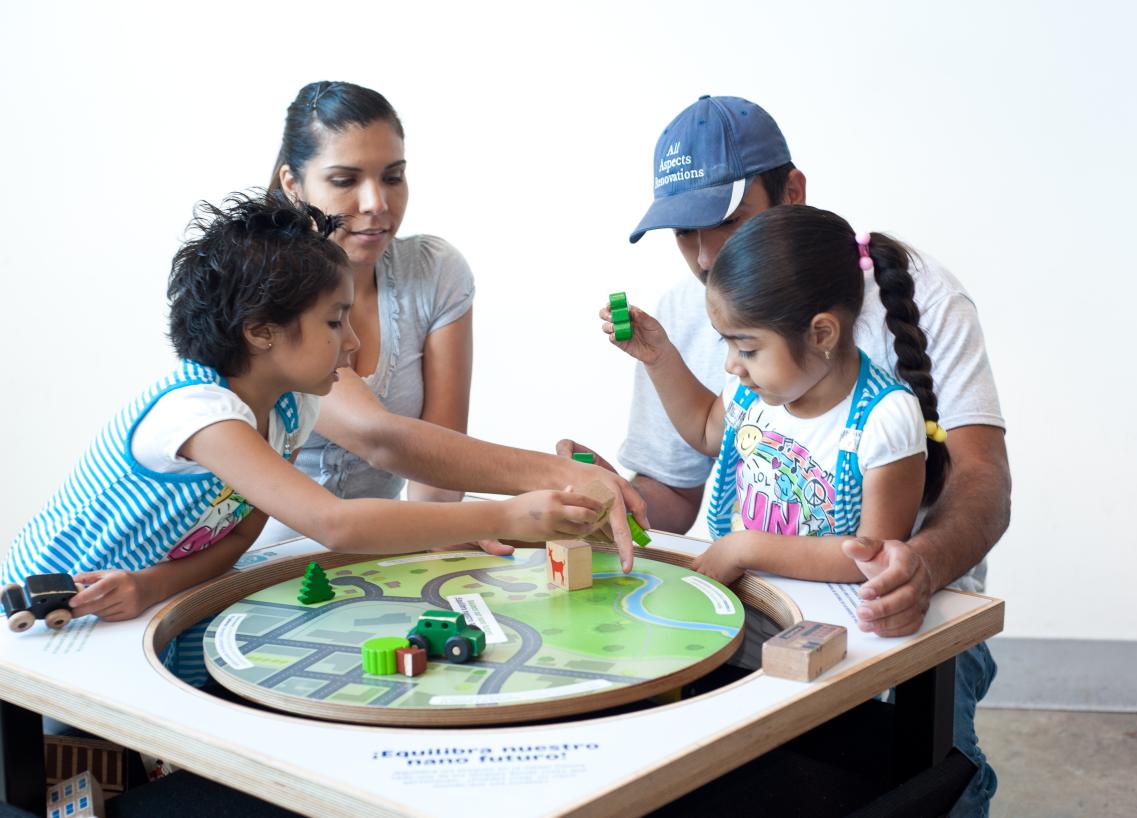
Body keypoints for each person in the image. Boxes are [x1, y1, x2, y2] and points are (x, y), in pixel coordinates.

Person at [561, 95, 1009, 816]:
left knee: (925, 777)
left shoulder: (911, 329)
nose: (706, 258)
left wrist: (918, 567)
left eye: (728, 225)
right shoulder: (722, 334)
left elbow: (976, 485)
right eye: (685, 234)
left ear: (792, 192)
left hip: (885, 623)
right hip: (748, 599)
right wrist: (613, 497)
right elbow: (705, 442)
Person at [2, 193, 612, 681]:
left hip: (146, 601)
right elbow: (336, 524)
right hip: (49, 611)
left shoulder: (293, 407)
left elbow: (241, 533)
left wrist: (149, 586)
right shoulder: (200, 416)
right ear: (261, 332)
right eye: (333, 321)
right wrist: (509, 513)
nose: (351, 342)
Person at [257, 81, 644, 560]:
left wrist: (468, 524)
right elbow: (380, 437)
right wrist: (555, 475)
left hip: (380, 552)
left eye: (393, 176)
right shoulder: (268, 286)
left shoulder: (434, 271)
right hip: (261, 562)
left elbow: (435, 485)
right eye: (345, 180)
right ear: (293, 182)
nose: (376, 202)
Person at [603, 205, 948, 592]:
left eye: (747, 349)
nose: (732, 365)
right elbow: (704, 431)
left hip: (833, 622)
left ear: (821, 335)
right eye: (726, 343)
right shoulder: (753, 393)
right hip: (754, 600)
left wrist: (749, 549)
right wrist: (660, 357)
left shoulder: (883, 420)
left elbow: (873, 557)